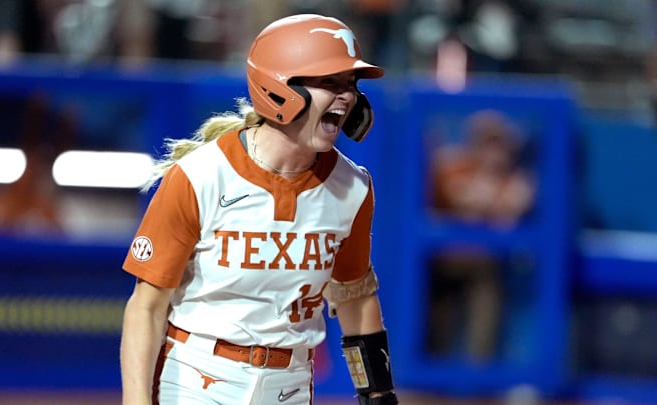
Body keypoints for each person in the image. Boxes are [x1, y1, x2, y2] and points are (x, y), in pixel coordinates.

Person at [119, 14, 398, 405]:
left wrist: (378, 396)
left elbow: (355, 296)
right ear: (278, 87)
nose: (347, 96)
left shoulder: (352, 187)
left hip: (290, 384)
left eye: (350, 85)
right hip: (197, 378)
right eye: (329, 82)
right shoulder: (201, 175)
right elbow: (146, 307)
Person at [426, 109, 535, 362]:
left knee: (487, 296)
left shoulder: (515, 179)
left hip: (484, 265)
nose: (494, 152)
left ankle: (479, 378)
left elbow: (514, 208)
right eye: (488, 143)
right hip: (444, 261)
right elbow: (456, 195)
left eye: (500, 144)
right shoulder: (455, 166)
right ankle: (431, 383)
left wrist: (488, 198)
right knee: (436, 325)